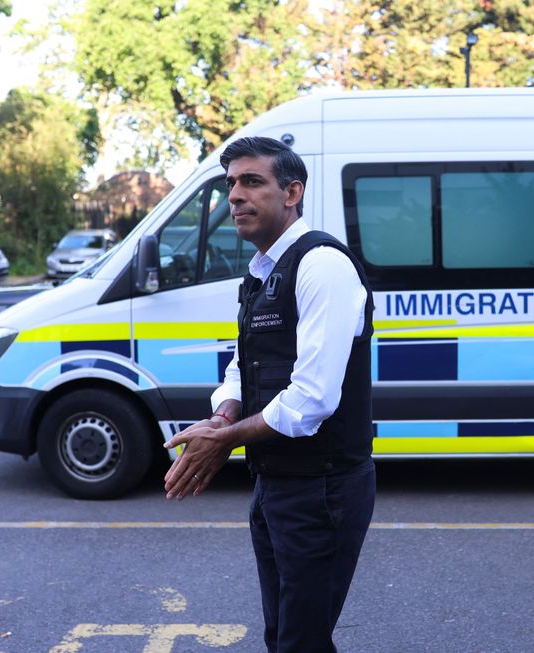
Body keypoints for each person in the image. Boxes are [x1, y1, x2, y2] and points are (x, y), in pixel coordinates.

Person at [163, 136, 376, 653]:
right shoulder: (263, 272)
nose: (235, 195)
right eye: (231, 184)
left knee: (299, 641)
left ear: (292, 193)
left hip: (320, 489)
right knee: (283, 635)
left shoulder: (321, 265)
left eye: (251, 182)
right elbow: (246, 363)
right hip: (277, 484)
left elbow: (311, 400)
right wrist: (224, 415)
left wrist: (225, 439)